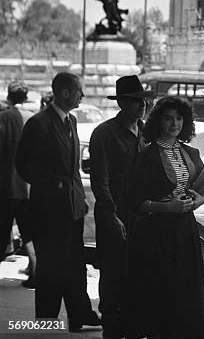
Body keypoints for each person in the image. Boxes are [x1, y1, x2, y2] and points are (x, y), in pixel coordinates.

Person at [15, 72, 100, 331]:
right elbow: (24, 165)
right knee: (51, 270)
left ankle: (79, 314)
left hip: (72, 208)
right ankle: (46, 322)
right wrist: (55, 184)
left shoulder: (71, 121)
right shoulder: (39, 124)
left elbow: (72, 167)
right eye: (79, 91)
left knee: (75, 267)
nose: (82, 95)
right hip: (49, 211)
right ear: (64, 92)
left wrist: (79, 198)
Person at [125, 95, 204, 339]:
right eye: (168, 118)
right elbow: (134, 202)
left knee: (186, 292)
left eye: (178, 118)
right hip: (156, 234)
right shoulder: (147, 156)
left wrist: (201, 200)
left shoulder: (190, 152)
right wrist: (168, 208)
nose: (174, 124)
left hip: (185, 231)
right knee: (162, 294)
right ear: (158, 122)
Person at [89, 75, 155, 339]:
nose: (142, 106)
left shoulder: (146, 132)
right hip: (114, 214)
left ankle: (132, 323)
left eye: (143, 101)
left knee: (137, 275)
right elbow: (99, 180)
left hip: (141, 214)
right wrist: (111, 216)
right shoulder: (104, 133)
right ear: (122, 103)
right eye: (135, 101)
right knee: (113, 275)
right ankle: (111, 327)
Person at [0, 81, 36, 287]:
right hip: (29, 187)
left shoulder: (4, 118)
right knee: (29, 231)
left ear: (9, 95)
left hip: (7, 185)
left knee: (2, 228)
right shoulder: (33, 118)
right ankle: (36, 271)